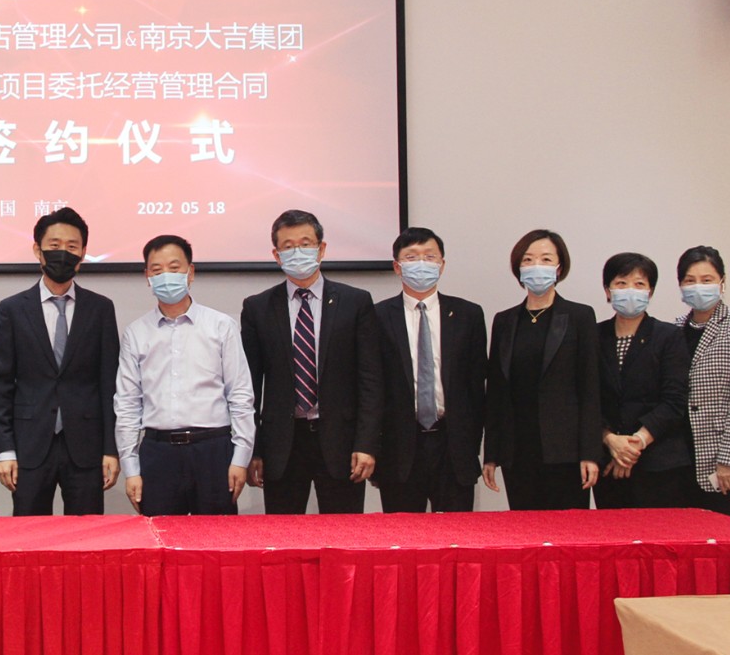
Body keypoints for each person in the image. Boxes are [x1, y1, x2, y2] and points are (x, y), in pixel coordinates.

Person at [240, 210, 384, 514]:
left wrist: (366, 443)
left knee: (344, 534)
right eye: (288, 246)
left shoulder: (355, 302)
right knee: (284, 535)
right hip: (282, 445)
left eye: (305, 244)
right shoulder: (257, 308)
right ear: (277, 255)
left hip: (342, 443)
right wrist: (253, 450)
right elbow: (249, 387)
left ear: (321, 249)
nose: (297, 252)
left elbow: (370, 380)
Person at [0, 208, 120, 515]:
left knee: (87, 534)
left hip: (86, 447)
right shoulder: (12, 309)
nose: (63, 253)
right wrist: (4, 449)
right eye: (55, 245)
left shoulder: (100, 309)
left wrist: (110, 449)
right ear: (38, 249)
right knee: (30, 534)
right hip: (29, 445)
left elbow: (109, 383)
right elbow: (1, 384)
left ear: (83, 253)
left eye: (72, 246)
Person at [116, 234, 255, 516]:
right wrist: (131, 468)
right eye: (157, 270)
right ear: (147, 277)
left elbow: (240, 395)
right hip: (158, 453)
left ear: (190, 272)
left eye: (174, 267)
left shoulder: (221, 326)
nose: (166, 276)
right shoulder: (136, 333)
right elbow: (128, 403)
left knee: (217, 539)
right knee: (161, 538)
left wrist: (240, 458)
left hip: (213, 451)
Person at [482, 229, 601, 509]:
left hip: (566, 451)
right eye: (528, 260)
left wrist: (590, 452)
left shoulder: (580, 316)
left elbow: (590, 388)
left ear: (559, 268)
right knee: (526, 528)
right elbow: (496, 391)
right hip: (517, 450)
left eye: (546, 259)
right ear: (518, 268)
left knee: (568, 529)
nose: (536, 266)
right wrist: (491, 454)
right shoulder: (504, 321)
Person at [373, 227, 489, 513]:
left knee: (456, 535)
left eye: (429, 256)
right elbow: (371, 388)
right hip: (399, 449)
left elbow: (477, 387)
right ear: (397, 267)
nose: (421, 264)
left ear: (442, 264)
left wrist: (472, 446)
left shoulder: (469, 315)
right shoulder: (377, 316)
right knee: (403, 535)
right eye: (412, 257)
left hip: (453, 447)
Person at [593, 252, 692, 509]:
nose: (630, 290)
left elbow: (674, 400)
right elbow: (586, 397)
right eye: (621, 283)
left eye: (639, 284)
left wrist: (634, 445)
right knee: (611, 534)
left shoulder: (669, 336)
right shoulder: (593, 336)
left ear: (650, 291)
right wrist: (611, 440)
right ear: (608, 290)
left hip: (660, 464)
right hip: (608, 463)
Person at [675, 245, 730, 520]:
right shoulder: (674, 329)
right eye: (690, 280)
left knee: (727, 537)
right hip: (680, 458)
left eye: (707, 280)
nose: (698, 287)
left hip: (722, 462)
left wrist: (729, 459)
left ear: (722, 282)